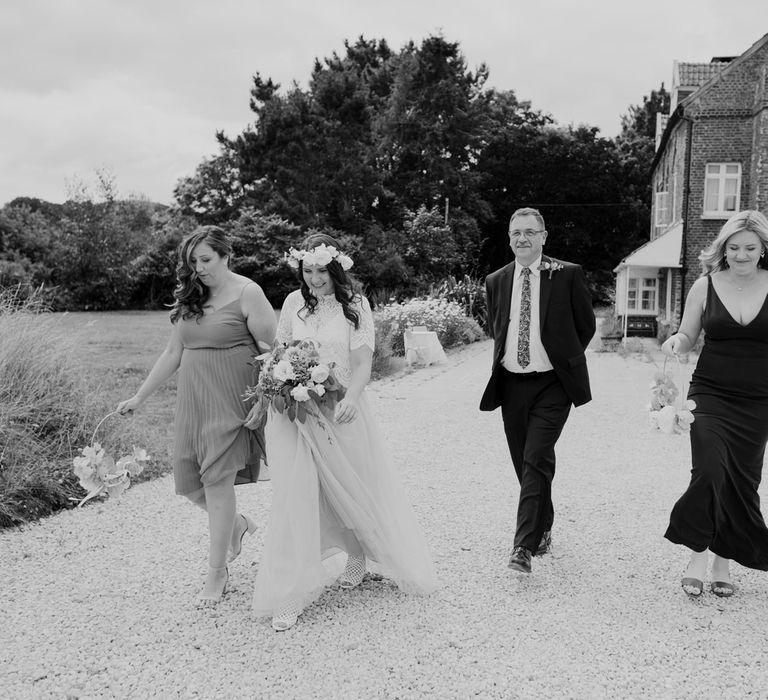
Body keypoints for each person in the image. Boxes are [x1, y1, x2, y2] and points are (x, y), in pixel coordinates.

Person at [250, 233, 437, 631]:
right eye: (308, 270)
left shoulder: (356, 306)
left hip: (340, 410)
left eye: (321, 270)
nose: (314, 278)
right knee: (295, 495)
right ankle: (292, 590)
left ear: (335, 269)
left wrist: (351, 396)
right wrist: (276, 384)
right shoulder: (292, 304)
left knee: (350, 486)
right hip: (295, 415)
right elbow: (280, 352)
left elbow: (362, 363)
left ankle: (356, 553)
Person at [117, 226, 276, 606]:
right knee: (190, 483)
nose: (199, 269)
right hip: (194, 400)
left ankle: (217, 572)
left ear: (225, 256)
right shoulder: (191, 297)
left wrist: (264, 400)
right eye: (193, 262)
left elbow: (272, 350)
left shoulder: (247, 292)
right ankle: (236, 526)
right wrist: (140, 396)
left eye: (205, 260)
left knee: (217, 480)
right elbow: (173, 352)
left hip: (233, 398)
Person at [480, 207, 596, 574]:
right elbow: (497, 327)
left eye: (530, 232)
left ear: (543, 237)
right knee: (527, 462)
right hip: (511, 382)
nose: (522, 239)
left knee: (536, 455)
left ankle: (522, 546)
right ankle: (543, 523)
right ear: (509, 238)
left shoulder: (567, 275)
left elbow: (586, 326)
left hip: (553, 384)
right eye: (516, 233)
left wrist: (563, 357)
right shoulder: (496, 280)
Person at [661, 209, 768, 598]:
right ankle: (697, 554)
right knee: (708, 470)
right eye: (734, 247)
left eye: (750, 248)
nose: (741, 255)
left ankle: (724, 558)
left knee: (742, 482)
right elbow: (688, 334)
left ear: (762, 249)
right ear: (724, 248)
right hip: (709, 394)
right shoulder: (705, 285)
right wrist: (678, 342)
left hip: (758, 401)